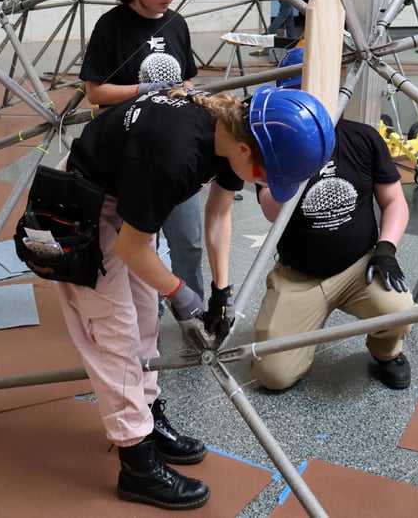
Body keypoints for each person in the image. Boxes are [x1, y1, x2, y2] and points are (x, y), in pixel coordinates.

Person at [57, 84, 335, 510]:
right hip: (82, 204)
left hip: (124, 194)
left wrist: (221, 290)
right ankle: (136, 463)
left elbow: (220, 212)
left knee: (144, 318)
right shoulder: (173, 156)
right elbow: (133, 249)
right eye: (264, 174)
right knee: (111, 328)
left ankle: (146, 416)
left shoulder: (231, 127)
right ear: (246, 149)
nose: (263, 183)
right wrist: (181, 293)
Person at [249, 46, 415, 391]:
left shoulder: (362, 138)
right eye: (291, 98)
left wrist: (386, 248)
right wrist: (296, 160)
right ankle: (302, 333)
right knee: (273, 375)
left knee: (399, 307)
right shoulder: (275, 148)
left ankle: (386, 351)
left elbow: (394, 200)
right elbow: (270, 211)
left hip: (359, 267)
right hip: (299, 275)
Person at [79, 0, 206, 301]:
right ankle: (150, 304)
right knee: (138, 241)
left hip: (176, 150)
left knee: (188, 240)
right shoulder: (110, 26)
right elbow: (95, 93)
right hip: (131, 155)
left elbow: (186, 80)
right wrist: (143, 91)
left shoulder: (177, 23)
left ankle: (193, 308)